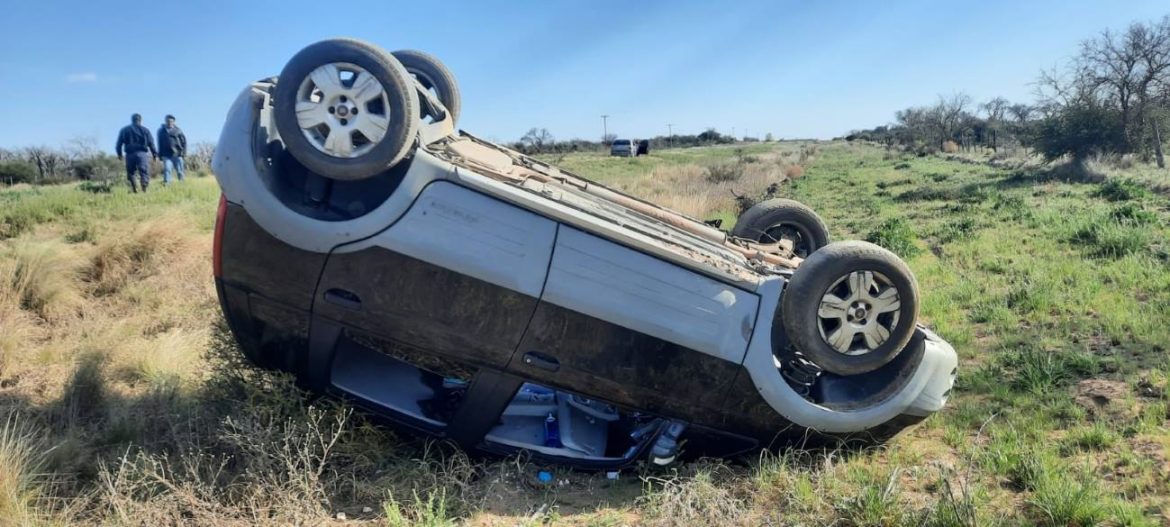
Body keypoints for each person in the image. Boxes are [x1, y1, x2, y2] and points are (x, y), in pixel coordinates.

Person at [115, 113, 157, 192]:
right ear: (140, 120)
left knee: (131, 172)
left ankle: (134, 188)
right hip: (142, 153)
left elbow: (119, 144)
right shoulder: (145, 130)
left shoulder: (124, 130)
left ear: (132, 120)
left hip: (129, 154)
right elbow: (151, 143)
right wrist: (154, 154)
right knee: (144, 171)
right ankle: (144, 187)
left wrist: (119, 154)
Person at [157, 114, 187, 185]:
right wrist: (160, 154)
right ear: (165, 121)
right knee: (167, 169)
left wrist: (184, 153)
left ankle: (182, 184)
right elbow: (159, 143)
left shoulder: (178, 130)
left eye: (171, 121)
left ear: (174, 122)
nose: (169, 122)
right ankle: (167, 184)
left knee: (180, 171)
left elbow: (184, 142)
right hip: (166, 155)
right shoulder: (161, 131)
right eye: (168, 121)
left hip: (177, 154)